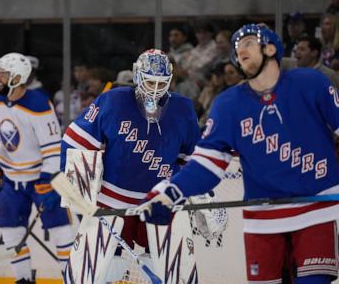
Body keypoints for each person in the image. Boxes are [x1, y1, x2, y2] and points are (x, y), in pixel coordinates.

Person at [140, 24, 339, 284]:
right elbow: (206, 166)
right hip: (262, 218)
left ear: (269, 47)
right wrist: (170, 193)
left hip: (316, 208)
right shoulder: (228, 104)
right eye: (236, 47)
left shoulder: (311, 83)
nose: (239, 50)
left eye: (247, 43)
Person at [60, 49, 200, 283]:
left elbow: (194, 160)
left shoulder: (183, 109)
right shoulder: (113, 100)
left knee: (176, 273)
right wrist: (80, 193)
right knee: (87, 273)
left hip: (160, 202)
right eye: (149, 81)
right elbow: (77, 142)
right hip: (110, 202)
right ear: (137, 76)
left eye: (160, 83)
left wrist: (201, 197)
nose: (155, 89)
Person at [0, 52, 75, 283]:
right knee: (10, 232)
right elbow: (1, 142)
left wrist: (49, 179)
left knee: (62, 231)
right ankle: (23, 279)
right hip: (12, 182)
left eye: (2, 74)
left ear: (16, 77)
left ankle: (72, 278)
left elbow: (54, 147)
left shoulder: (38, 104)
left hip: (41, 179)